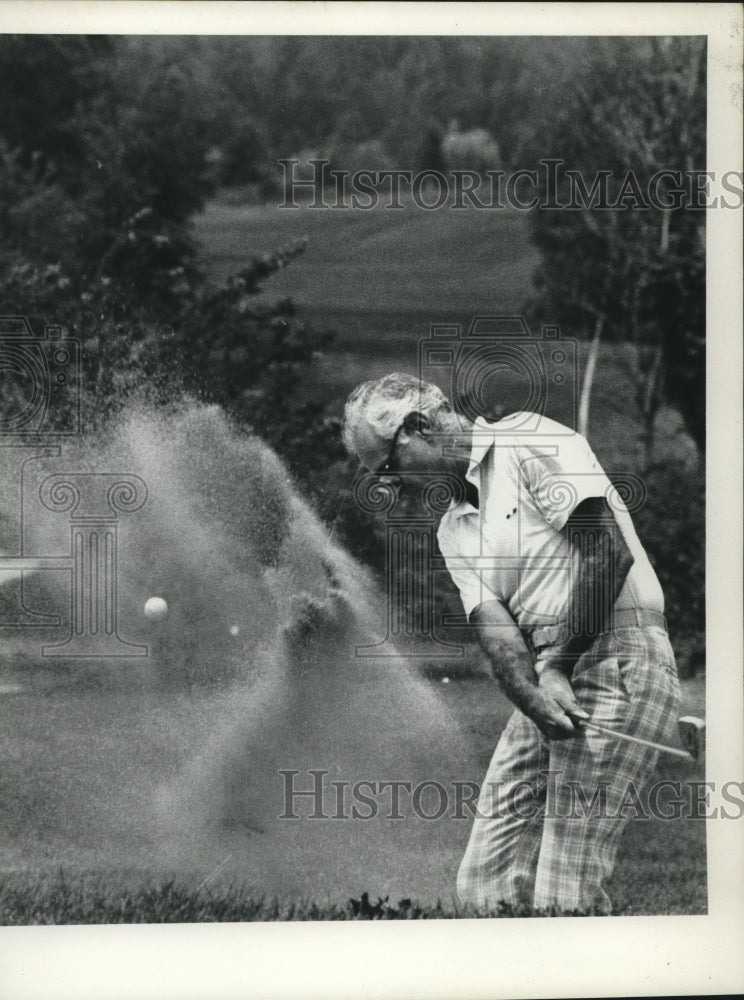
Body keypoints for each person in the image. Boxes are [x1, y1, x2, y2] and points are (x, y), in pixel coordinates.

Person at [342, 372, 681, 915]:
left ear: (418, 426)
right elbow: (497, 631)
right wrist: (534, 692)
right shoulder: (452, 528)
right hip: (554, 672)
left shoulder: (527, 439)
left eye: (387, 467)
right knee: (484, 886)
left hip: (621, 656)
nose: (391, 485)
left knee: (563, 895)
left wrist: (556, 668)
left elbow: (607, 554)